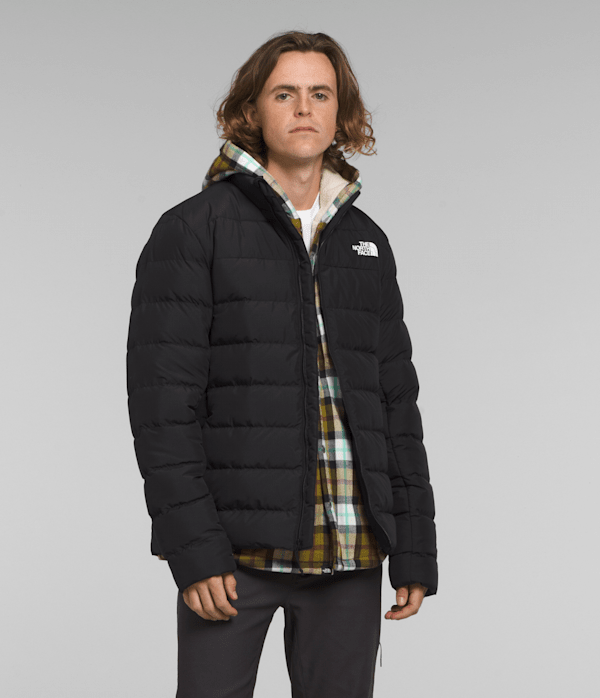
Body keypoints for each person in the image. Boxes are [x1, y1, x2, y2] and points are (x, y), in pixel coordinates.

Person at [127, 29, 438, 698]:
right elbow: (163, 409)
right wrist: (192, 547)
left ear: (340, 113)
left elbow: (395, 404)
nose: (303, 108)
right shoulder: (193, 230)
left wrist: (413, 544)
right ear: (252, 110)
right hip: (234, 556)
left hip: (351, 552)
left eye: (320, 94)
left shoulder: (366, 243)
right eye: (284, 93)